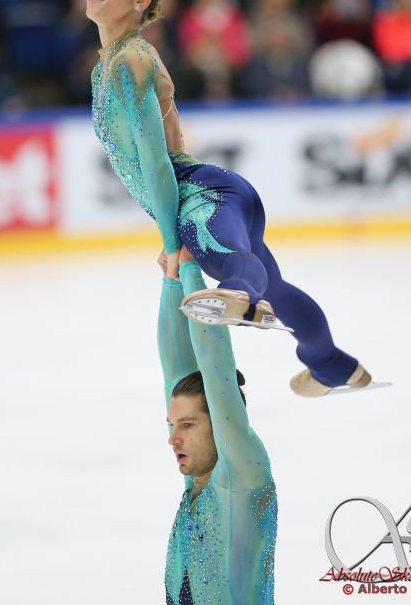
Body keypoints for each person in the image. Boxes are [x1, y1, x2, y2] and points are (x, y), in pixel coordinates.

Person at [87, 0, 371, 397]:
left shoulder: (130, 61)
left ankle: (239, 292)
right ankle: (332, 364)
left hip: (201, 198)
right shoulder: (113, 62)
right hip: (215, 191)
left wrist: (171, 239)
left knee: (236, 269)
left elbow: (158, 164)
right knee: (275, 287)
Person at [158, 246, 276, 603]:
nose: (173, 439)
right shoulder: (198, 480)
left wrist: (192, 270)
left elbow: (216, 370)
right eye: (172, 425)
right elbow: (175, 368)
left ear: (220, 424)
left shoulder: (240, 475)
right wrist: (172, 282)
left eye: (188, 425)